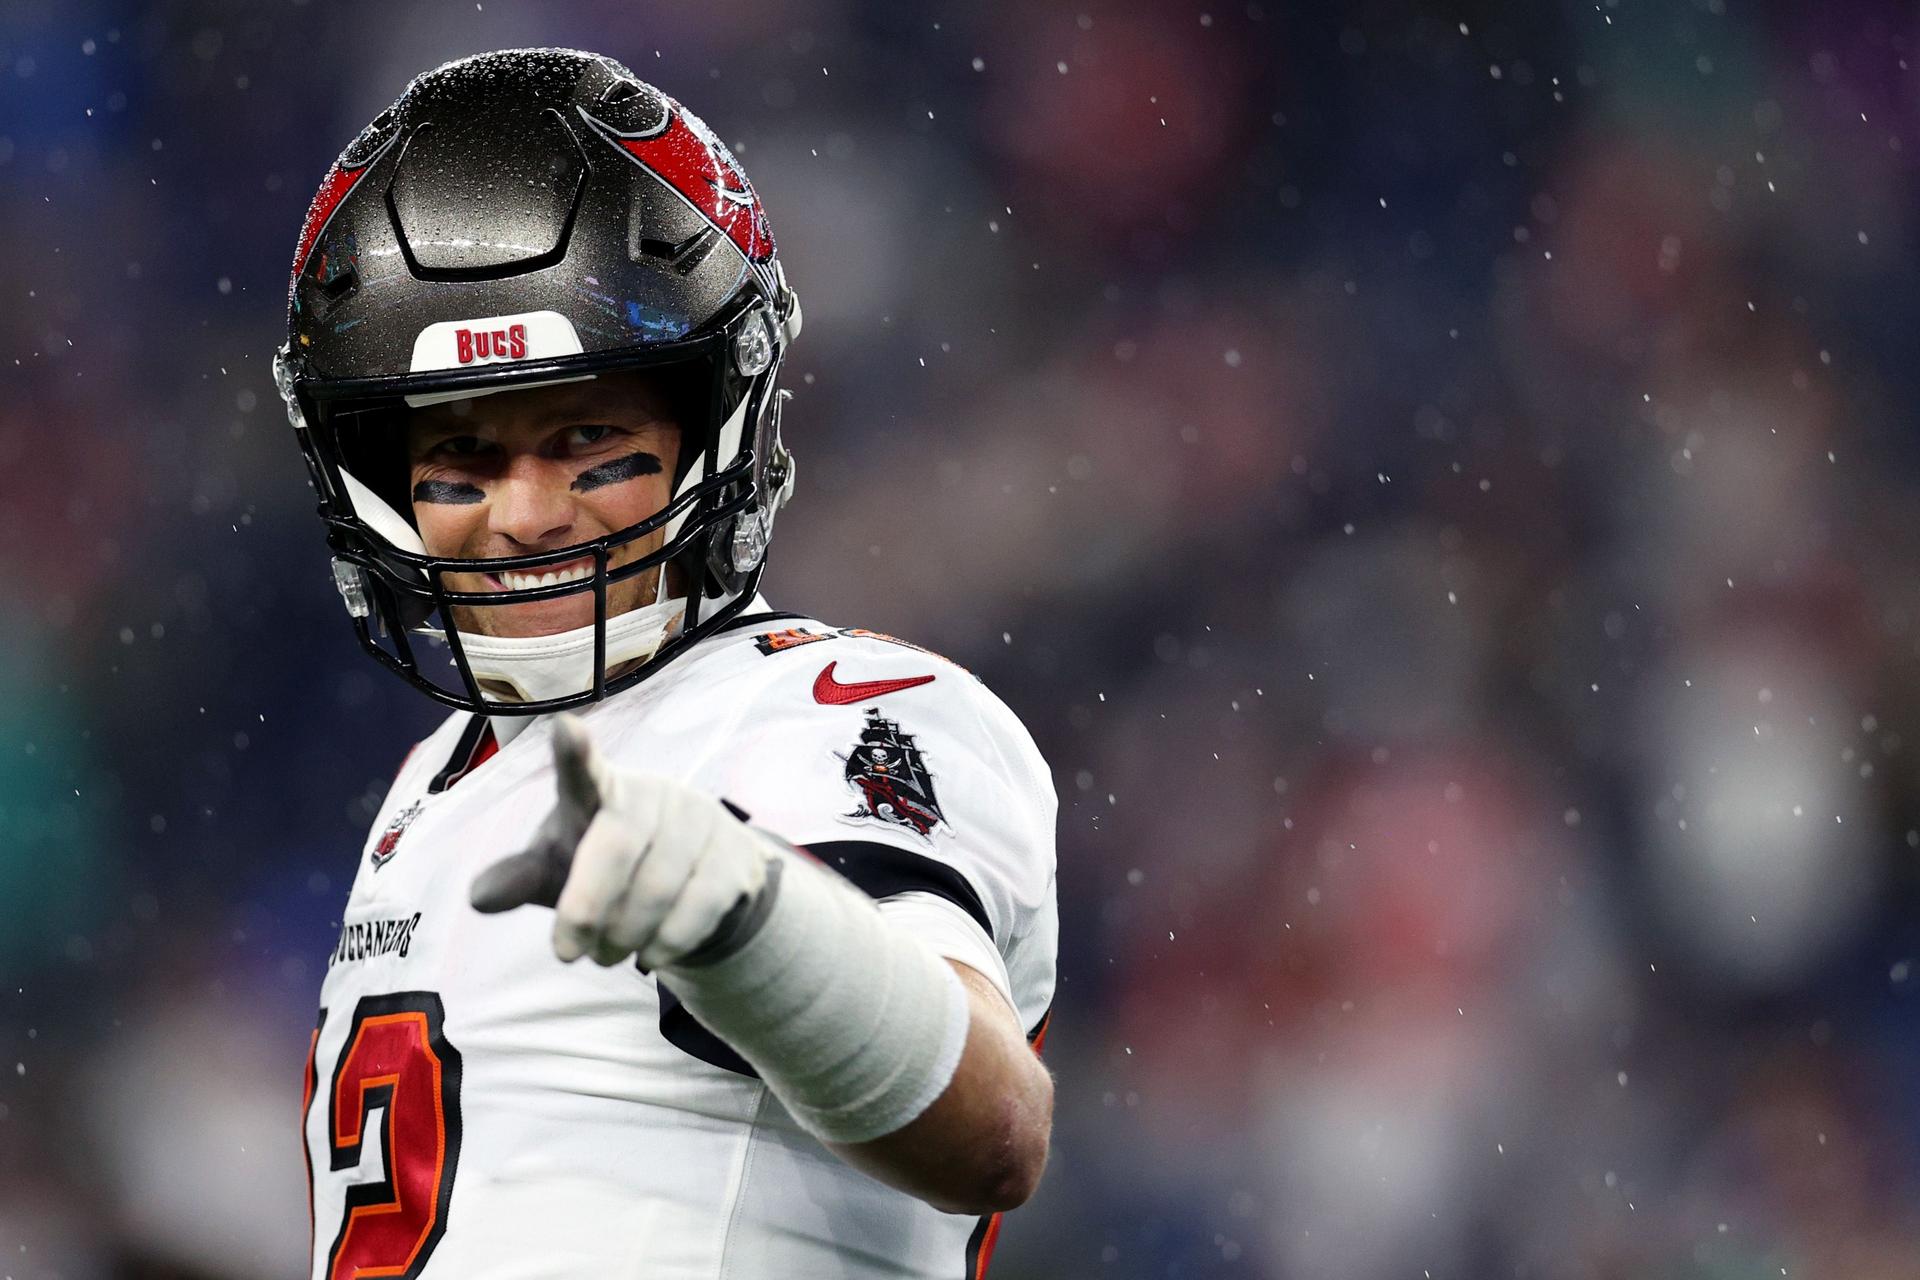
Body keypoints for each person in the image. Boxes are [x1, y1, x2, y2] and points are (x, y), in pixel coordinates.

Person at [274, 48, 1057, 1280]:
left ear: (717, 425)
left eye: (587, 435)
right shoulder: (441, 774)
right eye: (462, 459)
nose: (523, 514)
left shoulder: (827, 706)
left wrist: (739, 913)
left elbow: (996, 1123)